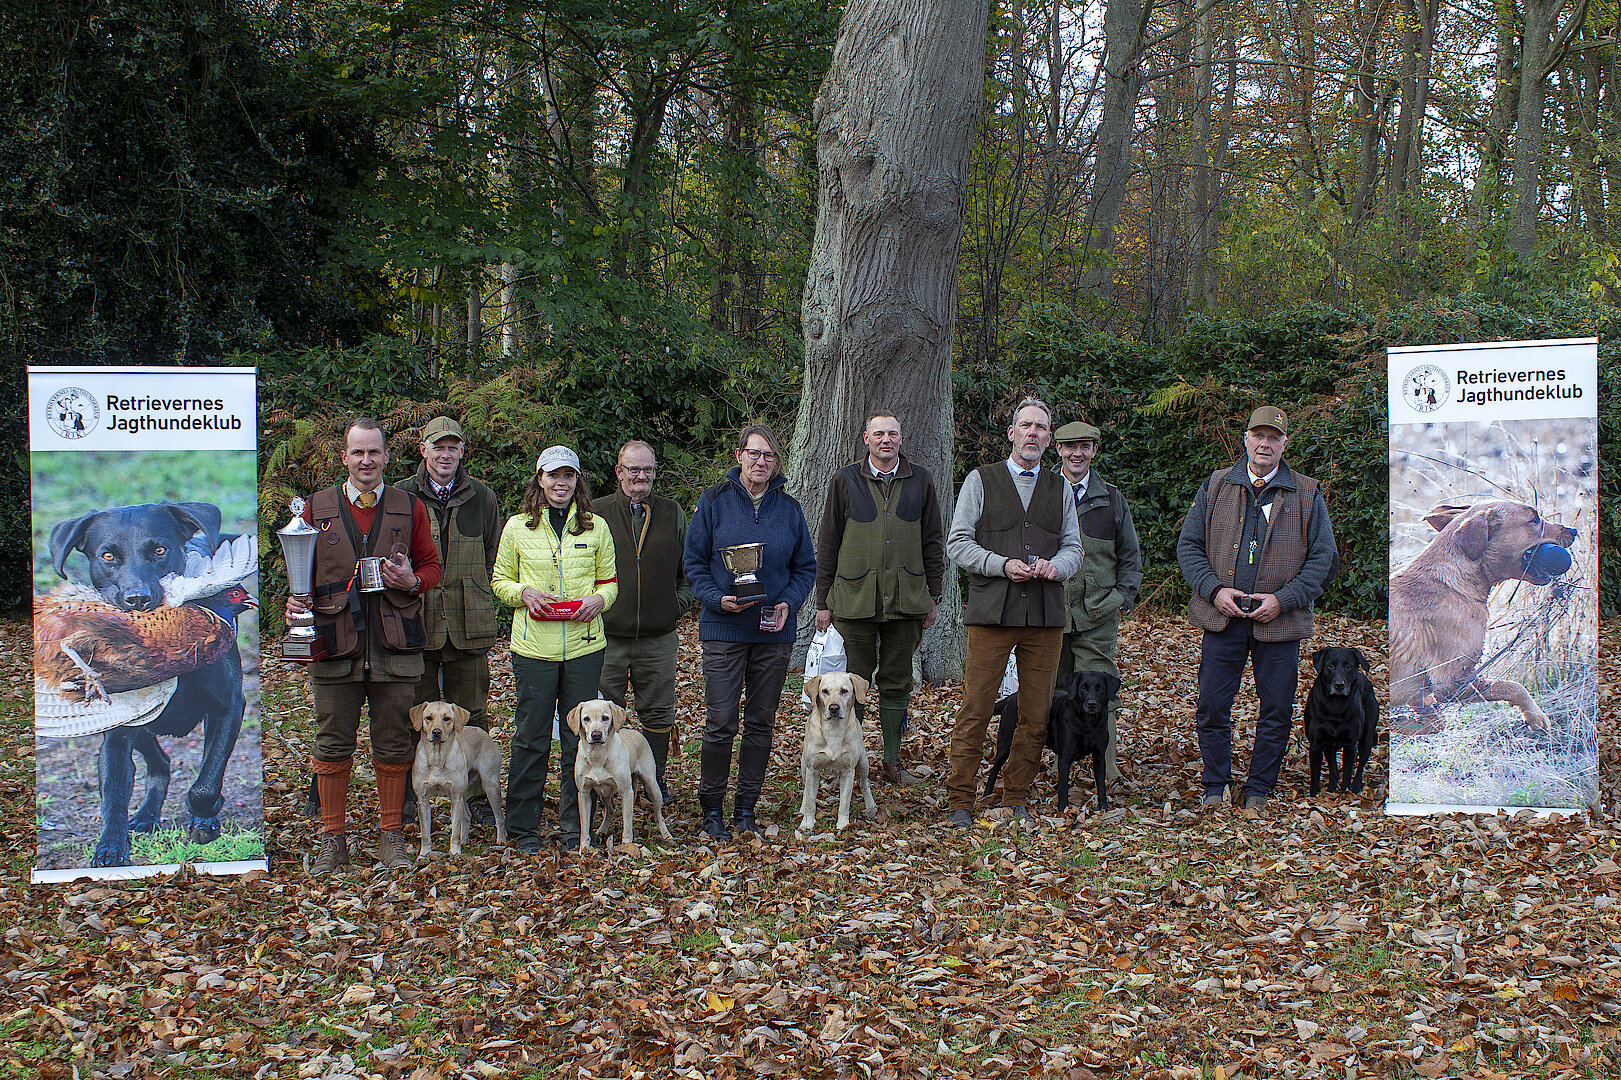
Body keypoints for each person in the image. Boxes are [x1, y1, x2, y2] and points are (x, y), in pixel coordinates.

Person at [287, 418, 442, 875]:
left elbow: (432, 566)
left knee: (394, 743)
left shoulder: (409, 507)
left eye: (374, 452)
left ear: (387, 457)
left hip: (396, 645)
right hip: (335, 643)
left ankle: (391, 837)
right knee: (332, 743)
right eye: (358, 452)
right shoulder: (315, 508)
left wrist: (412, 581)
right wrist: (295, 600)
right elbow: (299, 572)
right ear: (344, 458)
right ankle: (333, 840)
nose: (366, 460)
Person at [1176, 406, 1337, 812]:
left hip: (1279, 623)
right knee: (1212, 706)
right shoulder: (1216, 485)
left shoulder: (1307, 492)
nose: (1265, 444)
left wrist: (1283, 600)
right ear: (1246, 439)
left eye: (1273, 437)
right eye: (1258, 436)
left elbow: (1324, 559)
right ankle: (1216, 786)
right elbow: (1189, 546)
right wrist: (1214, 591)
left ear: (1284, 443)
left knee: (1277, 709)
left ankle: (1259, 790)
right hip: (1223, 618)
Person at [944, 397, 1083, 827]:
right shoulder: (981, 480)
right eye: (1026, 426)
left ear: (1049, 438)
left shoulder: (1060, 488)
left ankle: (1016, 795)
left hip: (1044, 617)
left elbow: (1074, 548)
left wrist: (1056, 567)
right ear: (1011, 433)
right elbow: (957, 543)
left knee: (1036, 713)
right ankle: (960, 799)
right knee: (976, 708)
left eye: (1040, 428)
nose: (1032, 434)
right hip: (991, 614)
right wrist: (1000, 564)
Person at [685, 423, 817, 840]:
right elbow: (693, 562)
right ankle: (711, 810)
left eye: (769, 455)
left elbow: (805, 567)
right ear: (739, 455)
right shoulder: (713, 502)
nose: (761, 462)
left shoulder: (790, 509)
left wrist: (789, 602)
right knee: (721, 720)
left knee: (761, 722)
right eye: (754, 453)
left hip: (772, 632)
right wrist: (715, 598)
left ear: (776, 462)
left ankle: (746, 809)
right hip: (724, 627)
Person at [491, 446, 618, 851]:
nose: (560, 483)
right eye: (553, 475)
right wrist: (524, 593)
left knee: (578, 739)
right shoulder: (517, 527)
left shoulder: (596, 526)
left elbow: (610, 582)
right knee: (531, 737)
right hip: (534, 649)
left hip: (584, 647)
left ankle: (575, 828)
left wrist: (600, 600)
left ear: (577, 480)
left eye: (568, 475)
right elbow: (500, 580)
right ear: (540, 479)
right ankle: (523, 829)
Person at [813, 411, 946, 786]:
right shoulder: (845, 479)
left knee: (897, 681)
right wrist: (822, 602)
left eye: (892, 434)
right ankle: (846, 760)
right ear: (866, 439)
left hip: (907, 600)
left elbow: (933, 540)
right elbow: (828, 542)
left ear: (901, 438)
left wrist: (934, 594)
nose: (886, 440)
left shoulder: (921, 479)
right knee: (850, 684)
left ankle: (891, 761)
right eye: (879, 434)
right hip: (853, 600)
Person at [398, 416, 503, 825]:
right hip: (417, 620)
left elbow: (492, 554)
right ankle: (412, 795)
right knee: (416, 716)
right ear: (423, 449)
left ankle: (474, 798)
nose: (445, 455)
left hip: (468, 620)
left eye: (452, 447)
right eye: (437, 447)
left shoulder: (483, 496)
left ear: (462, 451)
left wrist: (474, 589)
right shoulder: (401, 495)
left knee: (472, 714)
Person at [596, 439, 695, 800]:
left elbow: (690, 568)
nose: (641, 476)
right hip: (606, 635)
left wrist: (675, 605)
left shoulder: (672, 512)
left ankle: (654, 780)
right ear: (619, 471)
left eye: (648, 469)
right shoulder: (596, 512)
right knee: (603, 713)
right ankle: (605, 780)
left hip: (658, 637)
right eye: (633, 469)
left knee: (659, 712)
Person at [1053, 420, 1141, 789]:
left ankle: (1108, 770)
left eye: (1085, 447)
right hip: (1051, 609)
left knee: (1099, 689)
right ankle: (1059, 764)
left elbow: (1130, 553)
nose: (1077, 454)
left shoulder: (1112, 498)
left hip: (1099, 611)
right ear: (1058, 449)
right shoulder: (1042, 490)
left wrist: (1122, 596)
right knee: (1057, 689)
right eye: (1070, 447)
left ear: (1094, 451)